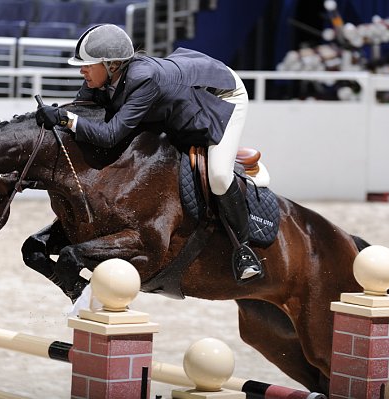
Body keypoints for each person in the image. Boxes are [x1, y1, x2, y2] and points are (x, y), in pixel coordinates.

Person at [36, 24, 263, 282]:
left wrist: (66, 119)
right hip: (181, 89)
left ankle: (244, 250)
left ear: (112, 64)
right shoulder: (100, 78)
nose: (81, 70)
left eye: (88, 64)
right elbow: (83, 112)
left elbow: (109, 135)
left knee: (219, 176)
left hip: (221, 93)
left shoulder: (143, 78)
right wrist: (58, 118)